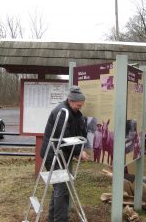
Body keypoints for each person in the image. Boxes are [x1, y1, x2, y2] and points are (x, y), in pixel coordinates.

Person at [40, 85, 90, 222]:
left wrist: (81, 146)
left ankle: (53, 218)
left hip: (62, 155)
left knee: (59, 187)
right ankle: (60, 219)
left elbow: (77, 132)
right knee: (62, 188)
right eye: (78, 105)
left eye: (81, 105)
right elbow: (64, 137)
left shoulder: (74, 112)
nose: (80, 107)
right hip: (53, 155)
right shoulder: (61, 112)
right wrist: (79, 152)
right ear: (70, 101)